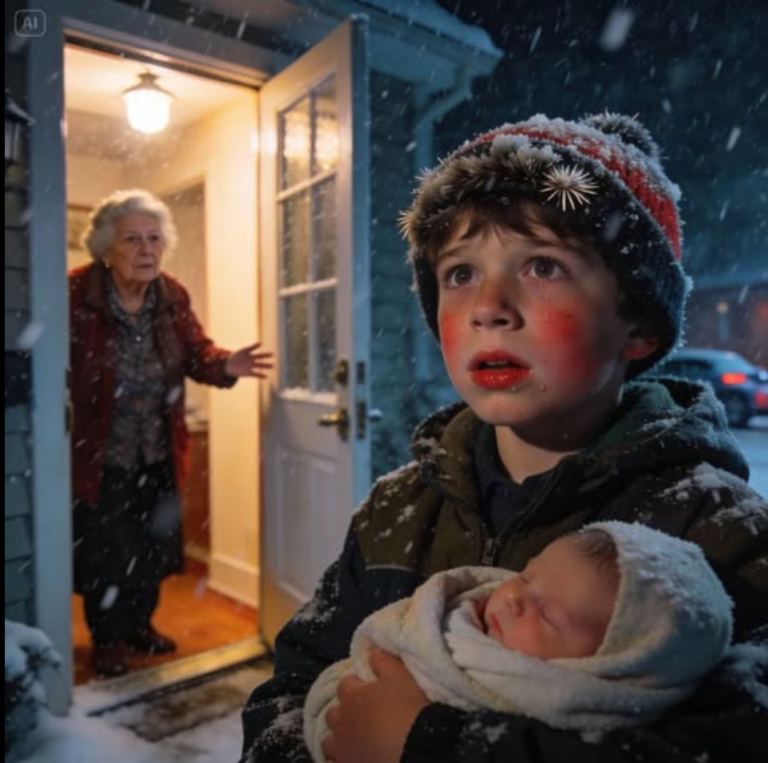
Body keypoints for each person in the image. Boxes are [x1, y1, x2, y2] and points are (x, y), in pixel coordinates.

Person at [241, 113, 767, 763]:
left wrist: (428, 744)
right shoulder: (398, 511)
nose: (490, 304)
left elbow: (728, 744)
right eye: (459, 273)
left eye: (543, 265)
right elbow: (292, 682)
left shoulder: (716, 531)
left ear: (637, 326)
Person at [304, 522, 734, 762]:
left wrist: (425, 743)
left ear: (607, 669)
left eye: (546, 615)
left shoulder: (729, 529)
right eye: (526, 575)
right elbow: (301, 665)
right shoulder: (396, 508)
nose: (510, 598)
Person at [70, 189, 272, 678]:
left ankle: (139, 623)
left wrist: (226, 363)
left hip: (158, 449)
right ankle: (109, 638)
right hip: (99, 454)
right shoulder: (77, 293)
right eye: (132, 239)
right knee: (108, 552)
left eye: (154, 239)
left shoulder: (170, 294)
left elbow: (194, 352)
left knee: (152, 545)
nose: (145, 250)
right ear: (105, 247)